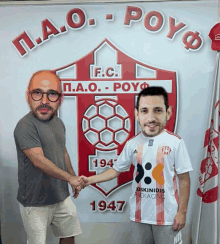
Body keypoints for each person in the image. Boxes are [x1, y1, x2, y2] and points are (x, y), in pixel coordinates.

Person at [80, 86, 193, 244]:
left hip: (167, 218)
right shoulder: (132, 143)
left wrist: (182, 212)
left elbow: (185, 180)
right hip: (139, 217)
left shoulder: (175, 143)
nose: (151, 117)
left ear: (168, 112)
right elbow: (115, 170)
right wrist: (89, 180)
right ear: (137, 114)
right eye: (145, 110)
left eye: (158, 110)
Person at [14, 70, 84, 244]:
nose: (44, 101)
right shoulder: (25, 126)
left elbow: (62, 150)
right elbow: (39, 160)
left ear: (60, 98)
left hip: (61, 196)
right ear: (28, 96)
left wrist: (73, 177)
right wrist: (69, 178)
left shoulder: (58, 122)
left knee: (69, 235)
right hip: (35, 201)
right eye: (38, 93)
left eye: (52, 94)